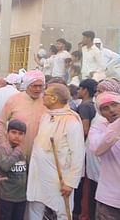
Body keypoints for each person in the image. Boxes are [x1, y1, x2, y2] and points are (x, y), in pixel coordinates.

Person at [26, 83, 85, 219]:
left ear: (54, 99)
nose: (42, 97)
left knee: (63, 212)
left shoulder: (72, 121)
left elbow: (78, 155)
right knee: (35, 207)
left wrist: (70, 183)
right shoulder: (46, 116)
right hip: (38, 175)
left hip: (60, 178)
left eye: (45, 94)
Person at [0, 70, 47, 160]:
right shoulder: (14, 100)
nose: (38, 89)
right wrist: (3, 143)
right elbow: (1, 123)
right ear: (27, 85)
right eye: (35, 86)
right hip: (15, 154)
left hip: (39, 155)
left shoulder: (46, 101)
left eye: (41, 86)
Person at [89, 92, 120, 219]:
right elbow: (97, 148)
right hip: (109, 198)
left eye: (114, 105)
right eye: (105, 108)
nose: (112, 110)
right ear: (101, 113)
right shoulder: (98, 128)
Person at [73, 79, 98, 219]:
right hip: (89, 150)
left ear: (85, 90)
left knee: (81, 184)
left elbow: (85, 129)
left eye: (80, 89)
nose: (78, 91)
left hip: (82, 149)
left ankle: (78, 212)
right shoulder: (93, 106)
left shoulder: (84, 107)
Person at [0, 119, 28, 220]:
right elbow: (5, 166)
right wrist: (17, 152)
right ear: (7, 133)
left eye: (20, 134)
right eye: (13, 132)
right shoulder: (2, 148)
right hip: (5, 195)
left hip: (21, 196)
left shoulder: (24, 149)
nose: (17, 136)